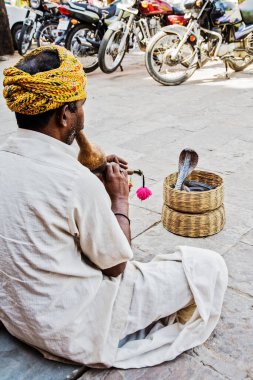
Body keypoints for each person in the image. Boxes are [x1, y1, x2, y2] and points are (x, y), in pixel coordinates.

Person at [0, 46, 228, 369]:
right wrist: (118, 199)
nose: (82, 115)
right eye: (80, 107)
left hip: (19, 318)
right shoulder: (75, 183)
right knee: (209, 265)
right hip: (73, 329)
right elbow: (115, 266)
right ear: (65, 115)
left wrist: (91, 182)